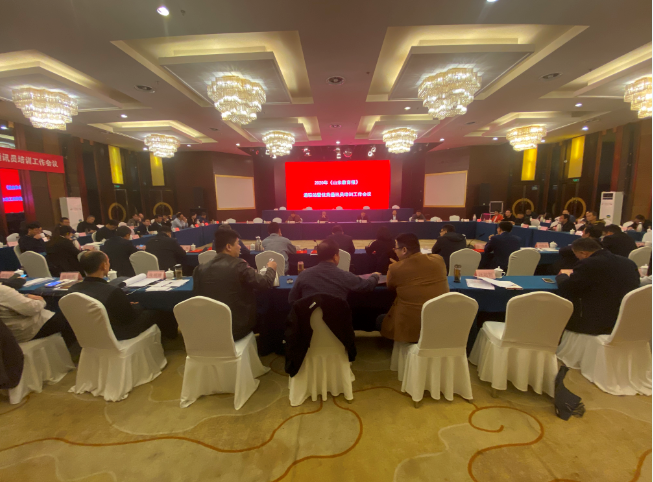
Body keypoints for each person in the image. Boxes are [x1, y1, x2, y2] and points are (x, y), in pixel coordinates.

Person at [193, 229, 277, 341]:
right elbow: (264, 283)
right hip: (236, 328)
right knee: (268, 311)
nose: (240, 247)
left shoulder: (199, 269)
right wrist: (271, 268)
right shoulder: (239, 265)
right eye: (237, 243)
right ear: (228, 247)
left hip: (209, 327)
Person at [556, 238, 640, 335]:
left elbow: (568, 288)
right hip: (626, 318)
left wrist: (562, 277)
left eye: (576, 255)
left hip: (595, 322)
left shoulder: (588, 264)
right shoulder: (629, 263)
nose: (577, 258)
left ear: (583, 253)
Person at [69, 251, 161, 340]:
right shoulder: (112, 291)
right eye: (108, 262)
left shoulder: (72, 290)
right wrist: (137, 306)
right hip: (117, 333)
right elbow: (129, 318)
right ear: (103, 266)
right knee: (154, 312)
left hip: (88, 333)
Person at [378, 233, 449, 343]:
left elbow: (390, 286)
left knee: (380, 320)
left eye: (396, 248)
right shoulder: (438, 260)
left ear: (404, 250)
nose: (395, 251)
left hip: (411, 329)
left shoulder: (395, 268)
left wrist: (398, 266)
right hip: (439, 323)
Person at [288, 238, 379, 303]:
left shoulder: (304, 274)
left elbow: (292, 299)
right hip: (338, 324)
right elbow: (367, 286)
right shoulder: (345, 276)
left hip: (309, 323)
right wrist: (375, 275)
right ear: (335, 256)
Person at [0, 282, 76, 346]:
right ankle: (67, 351)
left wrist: (25, 296)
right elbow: (32, 309)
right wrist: (41, 300)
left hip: (9, 332)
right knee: (71, 316)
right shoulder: (3, 291)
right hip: (25, 330)